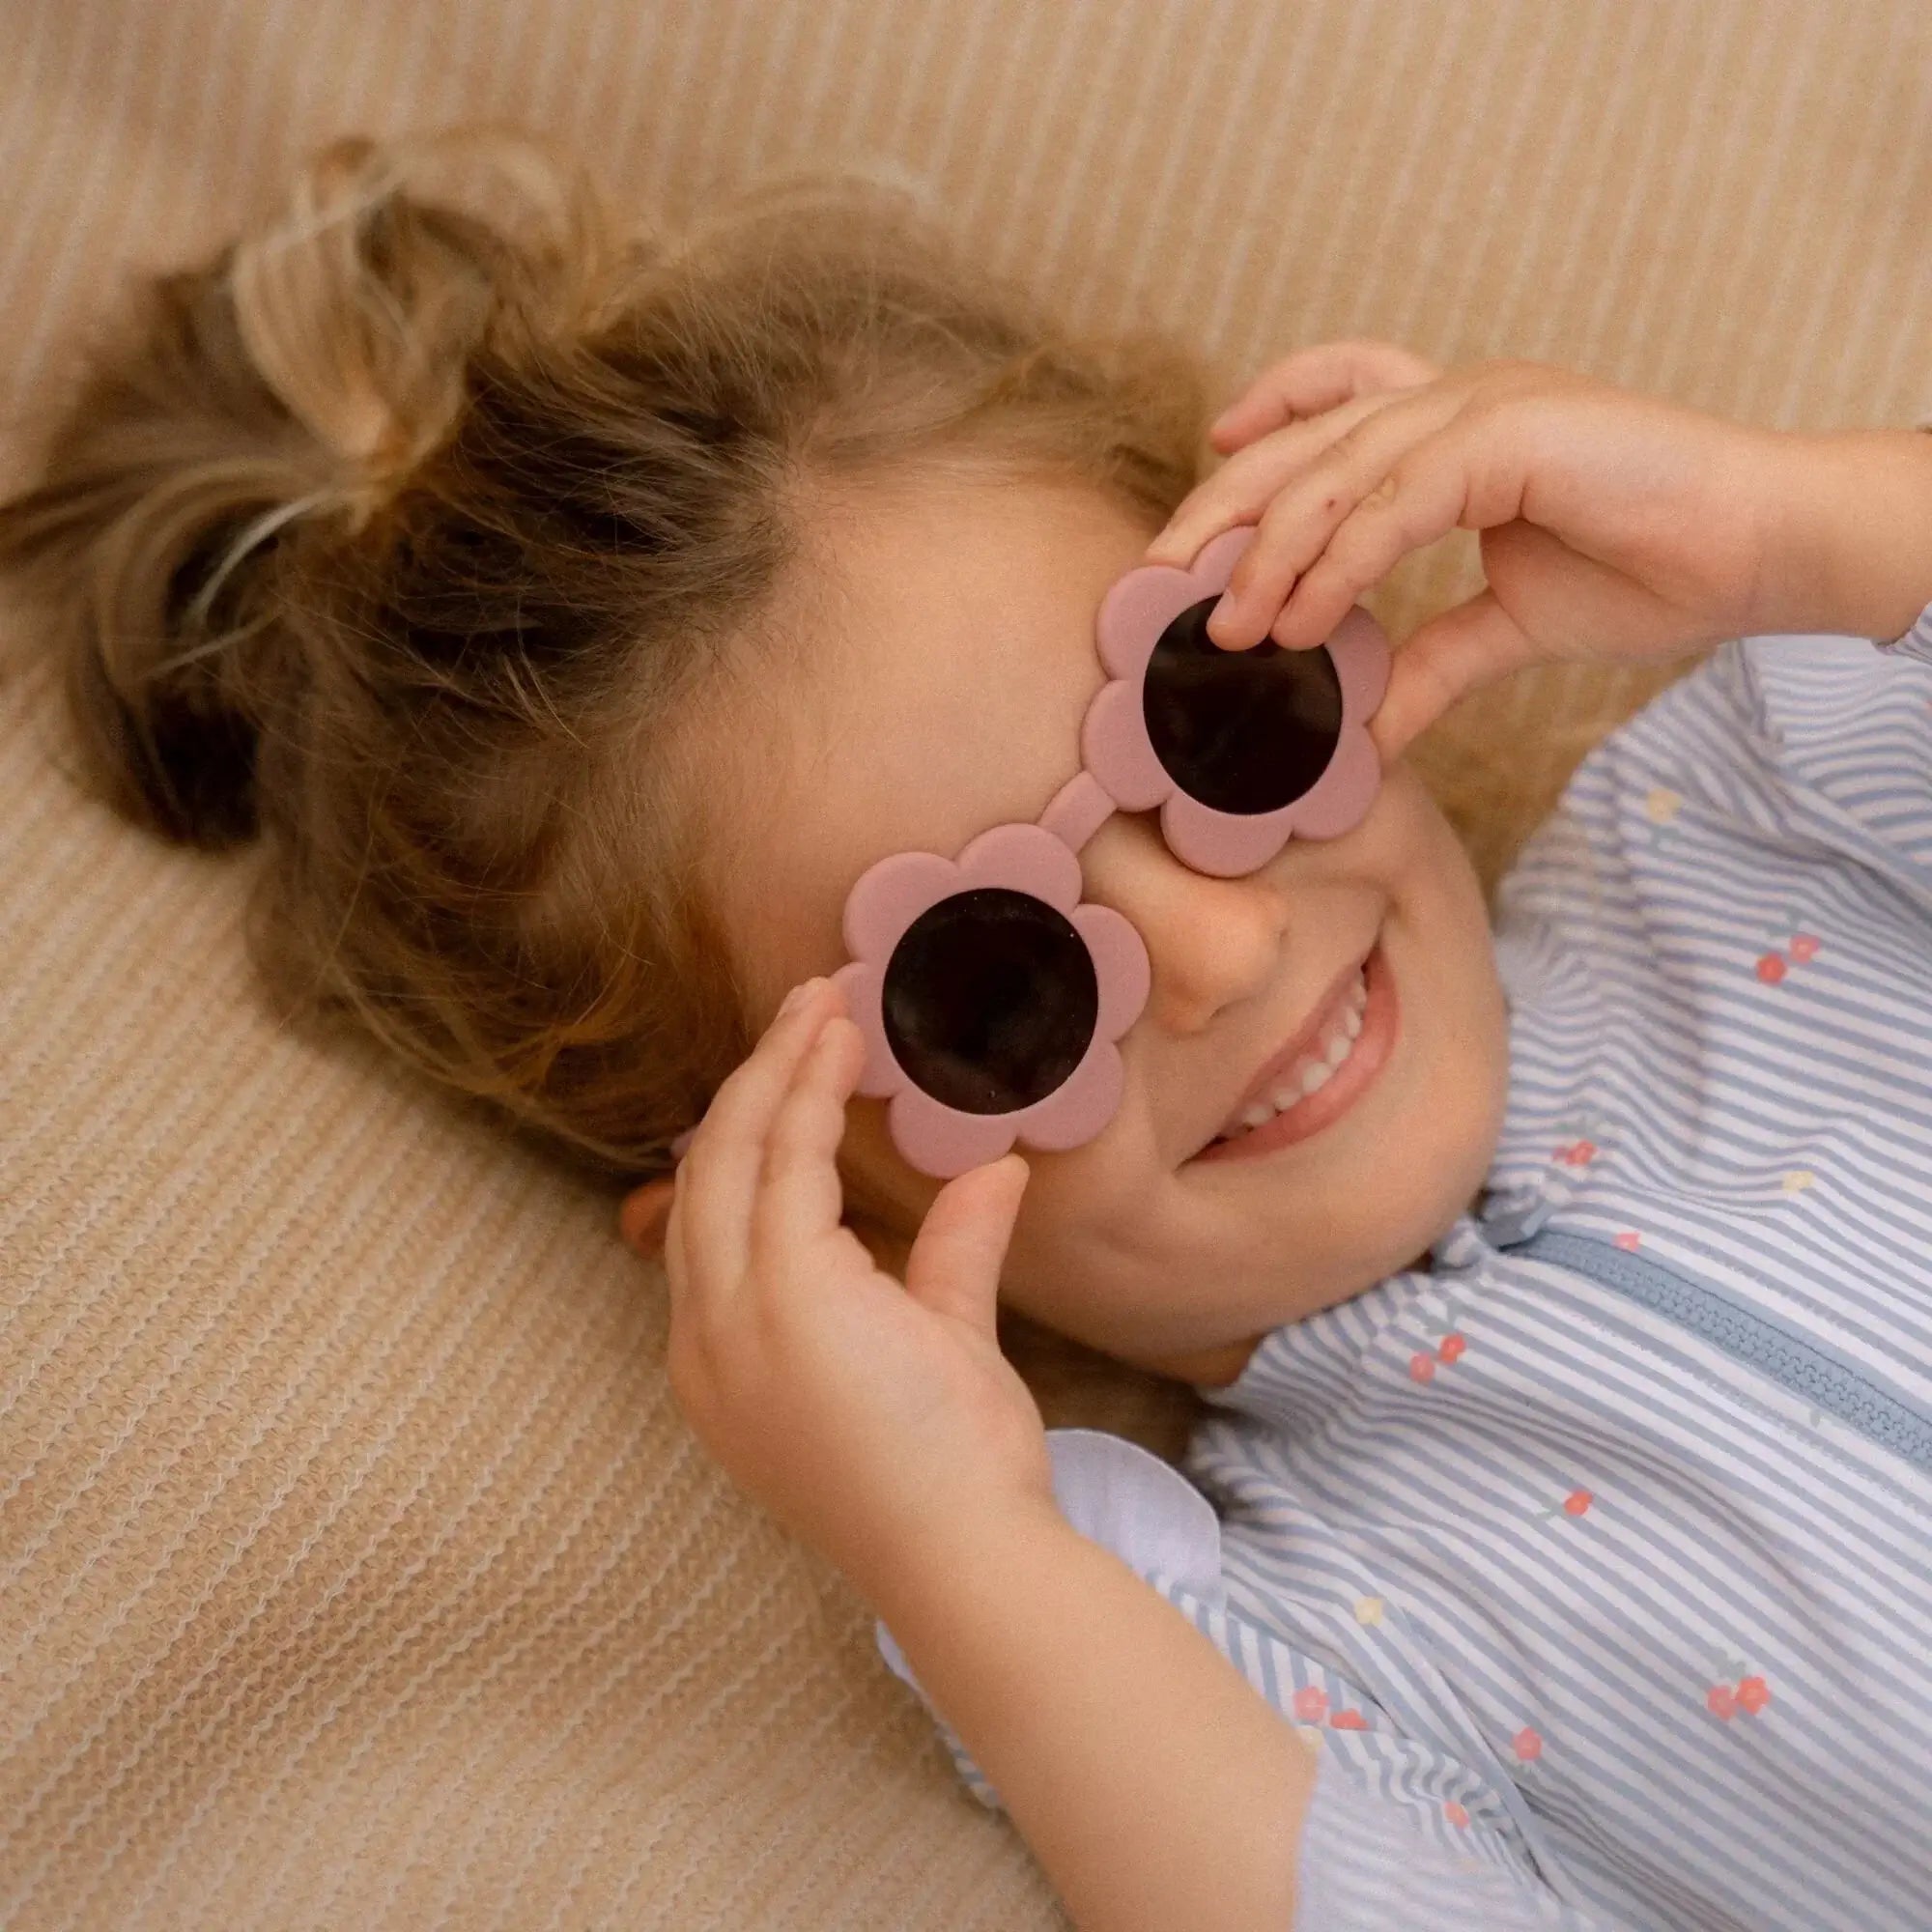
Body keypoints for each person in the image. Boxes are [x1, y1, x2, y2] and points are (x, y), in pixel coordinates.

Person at [5, 129, 1930, 1932]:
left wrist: (1803, 521)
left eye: (1217, 713)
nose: (1212, 946)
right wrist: (964, 1556)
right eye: (992, 988)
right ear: (818, 1221)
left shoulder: (1780, 804)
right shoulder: (1255, 1645)